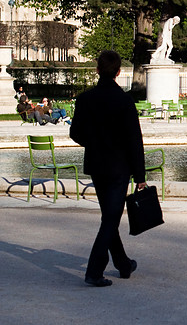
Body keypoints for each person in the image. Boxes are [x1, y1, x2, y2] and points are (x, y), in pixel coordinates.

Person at [69, 50, 146, 287]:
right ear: (119, 72)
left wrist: (94, 143)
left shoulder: (85, 99)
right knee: (110, 219)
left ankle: (123, 264)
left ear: (97, 70)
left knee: (109, 217)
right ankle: (93, 271)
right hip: (119, 166)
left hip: (96, 164)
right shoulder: (124, 101)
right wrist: (140, 174)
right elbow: (135, 140)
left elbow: (75, 133)